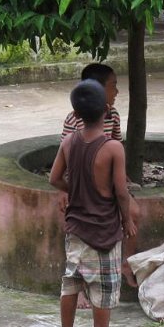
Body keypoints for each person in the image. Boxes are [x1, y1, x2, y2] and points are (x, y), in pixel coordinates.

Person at [50, 79, 137, 327]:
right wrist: (127, 222)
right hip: (103, 230)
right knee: (104, 288)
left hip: (75, 227)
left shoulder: (68, 142)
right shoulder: (113, 148)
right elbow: (121, 192)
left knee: (71, 283)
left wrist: (73, 191)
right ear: (107, 110)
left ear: (75, 114)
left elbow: (54, 179)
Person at [60, 64, 140, 306]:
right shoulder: (73, 120)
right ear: (96, 91)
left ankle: (126, 263)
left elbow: (117, 146)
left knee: (134, 213)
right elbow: (65, 160)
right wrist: (65, 191)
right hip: (83, 187)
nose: (116, 91)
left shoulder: (113, 115)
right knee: (72, 226)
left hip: (106, 187)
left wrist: (122, 179)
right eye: (113, 86)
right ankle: (79, 285)